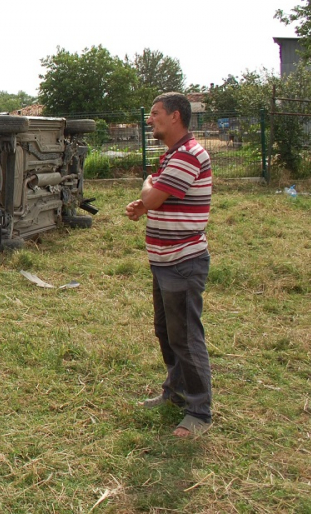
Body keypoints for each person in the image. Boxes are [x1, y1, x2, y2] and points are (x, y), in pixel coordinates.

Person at [125, 92, 213, 437]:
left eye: (155, 113)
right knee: (167, 333)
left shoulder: (189, 155)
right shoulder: (171, 156)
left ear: (175, 116)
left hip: (182, 262)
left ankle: (199, 412)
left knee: (186, 337)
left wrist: (148, 193)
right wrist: (146, 202)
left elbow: (154, 194)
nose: (150, 119)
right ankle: (175, 393)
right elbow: (156, 197)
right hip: (164, 262)